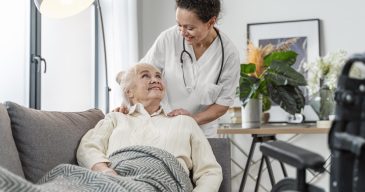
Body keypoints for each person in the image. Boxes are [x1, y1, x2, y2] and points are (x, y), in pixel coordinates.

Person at [77, 63, 223, 191]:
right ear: (129, 92)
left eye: (158, 76)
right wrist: (105, 172)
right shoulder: (116, 118)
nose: (155, 80)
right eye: (145, 76)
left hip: (166, 184)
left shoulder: (185, 121)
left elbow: (210, 171)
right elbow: (88, 147)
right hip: (113, 182)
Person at [117, 0, 240, 138]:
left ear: (211, 22)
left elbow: (222, 105)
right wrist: (126, 103)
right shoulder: (168, 39)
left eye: (190, 28)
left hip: (201, 133)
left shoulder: (228, 55)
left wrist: (190, 120)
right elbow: (138, 75)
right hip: (161, 127)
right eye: (179, 25)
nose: (182, 32)